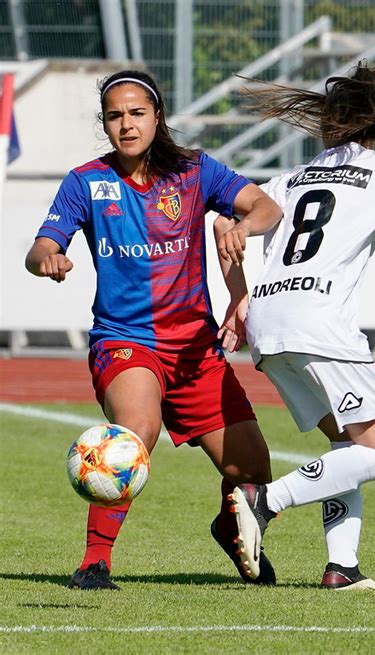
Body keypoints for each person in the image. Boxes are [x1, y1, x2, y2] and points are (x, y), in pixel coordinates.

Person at [25, 69, 282, 590]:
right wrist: (49, 259)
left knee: (253, 473)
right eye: (115, 115)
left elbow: (266, 206)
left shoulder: (195, 171)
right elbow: (40, 248)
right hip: (126, 341)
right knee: (136, 433)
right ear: (105, 123)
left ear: (157, 117)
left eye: (137, 113)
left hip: (195, 350)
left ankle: (230, 525)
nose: (126, 124)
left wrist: (241, 225)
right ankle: (94, 562)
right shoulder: (85, 182)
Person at [217, 61, 375, 590]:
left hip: (270, 324)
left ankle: (341, 567)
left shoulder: (287, 180)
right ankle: (262, 501)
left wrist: (238, 299)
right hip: (321, 325)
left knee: (349, 447)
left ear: (328, 124)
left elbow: (222, 226)